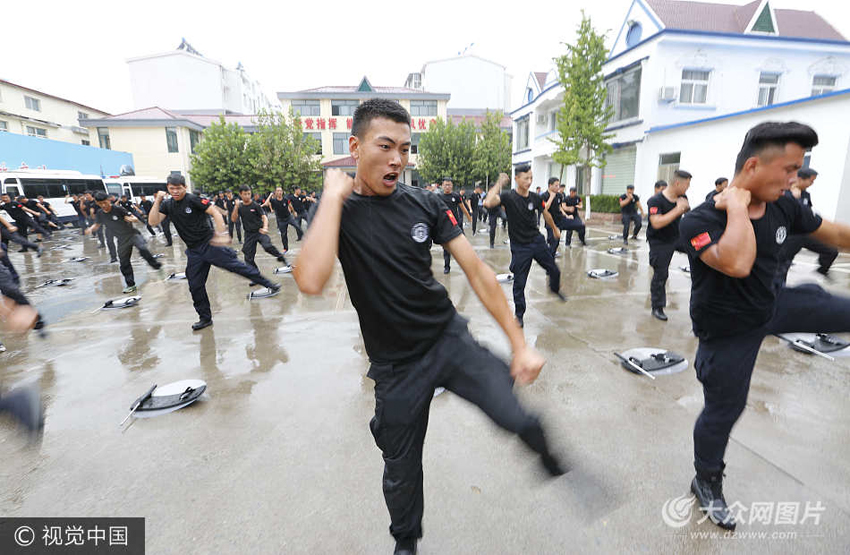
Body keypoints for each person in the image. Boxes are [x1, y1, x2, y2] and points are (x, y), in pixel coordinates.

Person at [293, 99, 565, 555]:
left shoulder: (425, 203)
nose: (398, 159)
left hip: (446, 340)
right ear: (355, 148)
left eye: (405, 147)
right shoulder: (337, 212)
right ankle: (406, 542)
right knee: (400, 468)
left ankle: (547, 453)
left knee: (516, 415)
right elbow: (310, 280)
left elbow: (476, 270)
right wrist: (331, 198)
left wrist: (519, 345)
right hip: (396, 366)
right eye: (386, 146)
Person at [679, 121, 850, 530]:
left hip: (774, 305)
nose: (795, 179)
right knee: (725, 409)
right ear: (754, 165)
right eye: (790, 169)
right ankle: (705, 480)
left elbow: (836, 235)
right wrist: (737, 208)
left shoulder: (784, 205)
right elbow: (737, 263)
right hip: (729, 330)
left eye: (798, 170)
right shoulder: (700, 220)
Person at [148, 175, 279, 331]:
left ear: (185, 187)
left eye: (178, 188)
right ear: (168, 189)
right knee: (195, 285)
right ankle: (205, 318)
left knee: (236, 266)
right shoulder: (168, 205)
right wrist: (157, 201)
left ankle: (269, 284)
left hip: (209, 244)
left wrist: (221, 234)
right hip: (194, 252)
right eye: (172, 188)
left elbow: (215, 213)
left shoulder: (193, 200)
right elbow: (153, 221)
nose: (175, 191)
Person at [484, 166, 566, 328]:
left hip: (537, 241)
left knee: (555, 270)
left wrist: (555, 229)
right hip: (520, 247)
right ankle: (519, 315)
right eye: (525, 178)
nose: (529, 181)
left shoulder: (535, 198)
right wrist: (499, 183)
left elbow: (546, 213)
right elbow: (488, 202)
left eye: (531, 178)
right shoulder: (508, 197)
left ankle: (554, 289)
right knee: (519, 283)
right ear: (517, 179)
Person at [85, 192, 162, 294]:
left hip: (132, 235)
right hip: (122, 240)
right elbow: (97, 224)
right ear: (97, 203)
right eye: (100, 203)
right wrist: (90, 229)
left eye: (105, 202)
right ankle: (131, 285)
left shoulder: (118, 209)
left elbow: (134, 218)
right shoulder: (100, 213)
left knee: (143, 249)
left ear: (109, 200)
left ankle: (156, 266)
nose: (103, 205)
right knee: (124, 263)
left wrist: (130, 219)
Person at [775, 168, 837, 284]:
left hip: (805, 234)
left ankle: (822, 270)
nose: (812, 184)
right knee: (783, 265)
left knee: (831, 250)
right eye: (811, 181)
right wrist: (796, 199)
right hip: (791, 236)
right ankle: (779, 287)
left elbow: (806, 213)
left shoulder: (806, 195)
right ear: (800, 179)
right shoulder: (786, 193)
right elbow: (790, 214)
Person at [646, 170, 691, 321]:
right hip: (659, 241)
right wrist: (679, 209)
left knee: (700, 251)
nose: (688, 188)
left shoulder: (682, 197)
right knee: (661, 274)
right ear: (677, 183)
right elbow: (656, 223)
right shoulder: (655, 201)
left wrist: (684, 207)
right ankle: (657, 307)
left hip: (677, 236)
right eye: (687, 185)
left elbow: (687, 208)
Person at [232, 185, 287, 272]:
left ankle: (281, 257)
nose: (247, 196)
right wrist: (236, 207)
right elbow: (233, 219)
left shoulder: (255, 205)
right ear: (240, 194)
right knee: (248, 256)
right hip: (249, 234)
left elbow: (264, 217)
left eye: (249, 194)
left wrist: (265, 227)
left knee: (267, 246)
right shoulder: (240, 207)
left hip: (260, 231)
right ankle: (255, 273)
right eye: (245, 194)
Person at [439, 178, 471, 274]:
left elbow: (462, 207)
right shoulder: (439, 197)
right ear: (442, 186)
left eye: (449, 185)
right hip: (445, 225)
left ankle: (465, 265)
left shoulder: (456, 196)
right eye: (445, 185)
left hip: (456, 224)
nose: (447, 186)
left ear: (452, 186)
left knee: (462, 245)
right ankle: (447, 266)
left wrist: (469, 218)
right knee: (446, 247)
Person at [264, 187, 303, 251]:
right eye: (278, 191)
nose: (279, 192)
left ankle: (305, 239)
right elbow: (266, 203)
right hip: (281, 220)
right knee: (283, 235)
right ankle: (285, 248)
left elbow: (290, 205)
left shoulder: (285, 199)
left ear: (282, 192)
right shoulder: (273, 200)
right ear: (275, 192)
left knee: (297, 226)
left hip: (289, 217)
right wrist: (270, 195)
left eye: (280, 191)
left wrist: (294, 212)